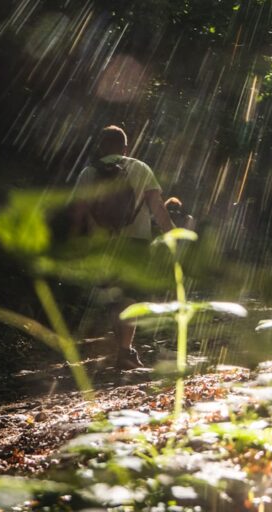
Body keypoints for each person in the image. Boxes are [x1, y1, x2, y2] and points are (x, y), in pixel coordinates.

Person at [72, 125, 175, 369]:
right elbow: (157, 205)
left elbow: (78, 211)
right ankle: (124, 350)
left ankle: (122, 349)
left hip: (104, 244)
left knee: (113, 297)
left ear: (101, 146)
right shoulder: (140, 168)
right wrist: (172, 233)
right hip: (136, 243)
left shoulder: (89, 173)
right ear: (125, 147)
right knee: (129, 298)